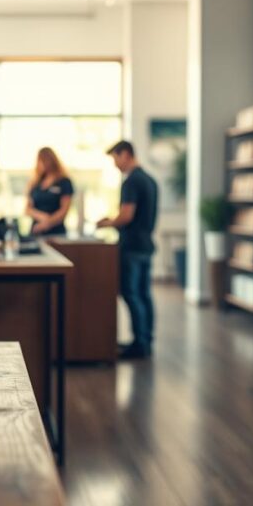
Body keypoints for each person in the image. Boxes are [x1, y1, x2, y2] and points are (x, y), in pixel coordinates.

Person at [97, 140, 159, 359]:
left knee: (131, 294)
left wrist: (106, 223)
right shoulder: (150, 180)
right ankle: (146, 340)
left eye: (115, 159)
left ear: (125, 154)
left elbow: (126, 216)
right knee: (144, 294)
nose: (115, 165)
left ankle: (139, 345)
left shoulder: (131, 182)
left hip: (131, 247)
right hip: (146, 245)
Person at [26, 147, 74, 236]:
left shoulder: (64, 182)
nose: (42, 164)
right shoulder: (35, 183)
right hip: (36, 231)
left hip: (57, 233)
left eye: (44, 160)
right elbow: (28, 209)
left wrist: (47, 223)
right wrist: (41, 217)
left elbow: (64, 210)